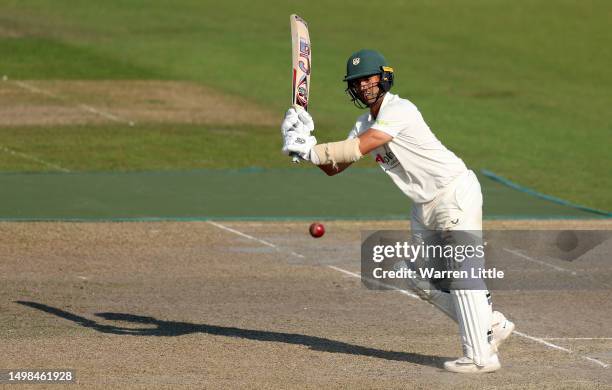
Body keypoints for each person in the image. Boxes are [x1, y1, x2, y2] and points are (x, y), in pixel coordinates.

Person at [280, 49, 515, 373]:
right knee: (416, 278)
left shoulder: (399, 110)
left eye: (368, 78)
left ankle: (480, 357)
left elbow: (362, 145)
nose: (363, 86)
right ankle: (491, 323)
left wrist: (312, 149)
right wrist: (303, 145)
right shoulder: (364, 123)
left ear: (384, 77)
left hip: (454, 193)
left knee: (463, 275)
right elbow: (336, 166)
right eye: (357, 82)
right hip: (424, 206)